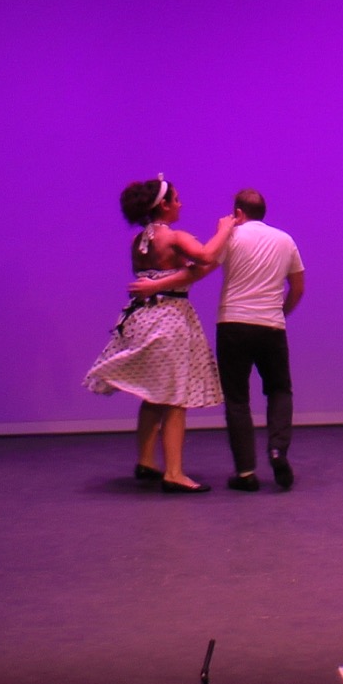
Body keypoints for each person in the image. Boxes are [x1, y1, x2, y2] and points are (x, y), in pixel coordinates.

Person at [84, 175, 235, 493]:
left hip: (143, 318)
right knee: (174, 398)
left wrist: (189, 270)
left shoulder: (139, 240)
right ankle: (174, 472)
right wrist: (224, 231)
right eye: (176, 199)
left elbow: (187, 272)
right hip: (169, 320)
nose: (181, 204)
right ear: (163, 205)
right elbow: (205, 257)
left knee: (153, 396)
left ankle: (146, 460)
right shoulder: (174, 237)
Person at [181, 188, 304, 492]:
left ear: (238, 213)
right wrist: (281, 313)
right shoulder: (285, 240)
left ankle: (246, 472)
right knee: (279, 390)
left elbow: (200, 269)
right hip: (271, 326)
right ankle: (277, 450)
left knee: (237, 399)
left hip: (233, 324)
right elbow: (298, 287)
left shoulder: (231, 237)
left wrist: (164, 280)